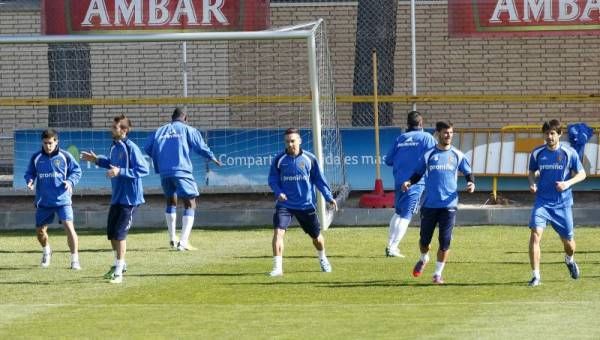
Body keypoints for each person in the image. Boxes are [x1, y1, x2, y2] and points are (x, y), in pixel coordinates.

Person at [401, 121, 474, 284]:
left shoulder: (458, 155)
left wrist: (471, 183)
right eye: (445, 132)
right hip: (429, 205)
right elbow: (418, 173)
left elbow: (468, 172)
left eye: (451, 133)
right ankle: (424, 257)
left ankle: (437, 274)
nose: (449, 135)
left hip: (449, 205)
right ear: (438, 134)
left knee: (445, 241)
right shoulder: (429, 155)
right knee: (424, 241)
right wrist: (409, 182)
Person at [81, 115, 149, 283]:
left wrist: (121, 172)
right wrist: (97, 160)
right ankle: (121, 263)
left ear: (124, 130)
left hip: (130, 199)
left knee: (120, 234)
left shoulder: (131, 148)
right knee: (111, 234)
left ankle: (118, 271)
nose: (111, 129)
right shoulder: (114, 147)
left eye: (114, 127)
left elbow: (143, 169)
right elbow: (112, 163)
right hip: (117, 197)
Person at [144, 107, 222, 251]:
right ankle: (184, 242)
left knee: (171, 201)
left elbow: (147, 147)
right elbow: (201, 147)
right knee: (190, 204)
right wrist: (212, 157)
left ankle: (173, 239)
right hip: (181, 170)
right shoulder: (188, 130)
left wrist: (161, 157)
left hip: (164, 172)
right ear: (185, 118)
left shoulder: (160, 131)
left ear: (172, 118)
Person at [267, 128, 338, 277]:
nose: (290, 144)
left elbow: (319, 179)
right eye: (287, 141)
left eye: (292, 141)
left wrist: (328, 197)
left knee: (317, 238)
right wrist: (278, 192)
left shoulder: (309, 159)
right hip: (285, 205)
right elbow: (273, 179)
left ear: (299, 141)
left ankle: (322, 258)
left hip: (305, 205)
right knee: (278, 233)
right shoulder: (279, 160)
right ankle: (278, 268)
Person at [526, 119, 586, 287]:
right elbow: (531, 171)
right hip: (542, 202)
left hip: (563, 204)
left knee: (569, 244)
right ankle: (536, 276)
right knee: (535, 235)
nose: (549, 137)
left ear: (559, 134)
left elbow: (582, 174)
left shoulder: (569, 153)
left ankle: (569, 259)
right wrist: (532, 183)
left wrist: (567, 184)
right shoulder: (537, 153)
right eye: (546, 134)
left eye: (552, 133)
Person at [24, 129, 82, 269]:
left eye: (50, 143)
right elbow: (30, 173)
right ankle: (46, 251)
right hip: (44, 201)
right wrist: (30, 180)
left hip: (63, 200)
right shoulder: (36, 157)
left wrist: (70, 181)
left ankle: (75, 260)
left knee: (69, 227)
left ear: (56, 142)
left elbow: (77, 171)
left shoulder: (65, 156)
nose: (48, 146)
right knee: (40, 232)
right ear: (42, 142)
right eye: (45, 143)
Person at [384, 111, 436, 257]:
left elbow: (388, 160)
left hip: (399, 181)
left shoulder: (401, 138)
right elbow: (434, 157)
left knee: (398, 213)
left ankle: (390, 244)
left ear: (407, 124)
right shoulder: (427, 138)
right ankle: (393, 248)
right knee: (406, 215)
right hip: (415, 182)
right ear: (421, 123)